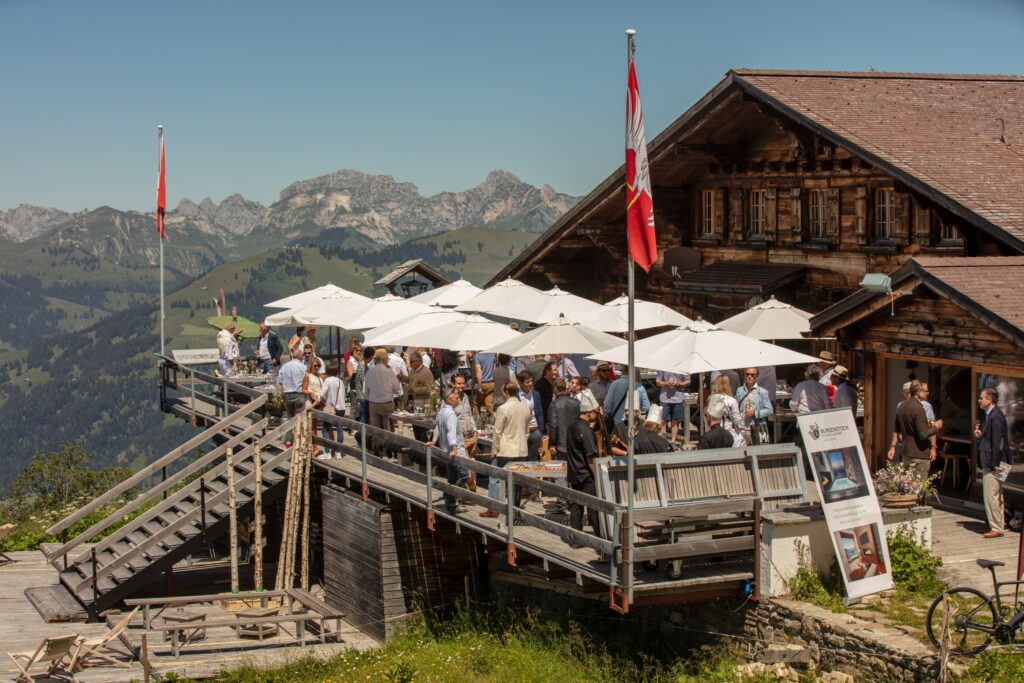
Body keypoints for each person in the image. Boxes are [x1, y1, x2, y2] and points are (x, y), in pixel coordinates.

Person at [483, 381, 532, 520]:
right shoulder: (525, 408)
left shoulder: (503, 408)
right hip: (521, 449)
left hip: (505, 449)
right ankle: (514, 508)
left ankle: (494, 508)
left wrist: (494, 449)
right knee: (516, 481)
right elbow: (527, 431)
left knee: (495, 478)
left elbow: (497, 432)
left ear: (505, 392)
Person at [566, 393, 601, 541]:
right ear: (589, 412)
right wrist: (598, 474)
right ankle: (601, 539)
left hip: (573, 472)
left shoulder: (572, 426)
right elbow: (590, 458)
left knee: (576, 507)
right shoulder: (585, 431)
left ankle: (576, 540)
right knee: (593, 508)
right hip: (586, 475)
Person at [893, 380, 943, 480]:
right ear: (919, 392)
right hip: (919, 455)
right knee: (918, 490)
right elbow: (923, 434)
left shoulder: (901, 406)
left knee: (907, 488)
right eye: (925, 391)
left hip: (906, 454)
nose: (928, 393)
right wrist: (936, 427)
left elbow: (896, 429)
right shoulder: (919, 408)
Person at [976, 387, 1009, 538]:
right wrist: (980, 435)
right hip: (992, 461)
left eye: (982, 398)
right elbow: (990, 438)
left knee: (991, 495)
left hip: (994, 463)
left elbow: (999, 442)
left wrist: (996, 463)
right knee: (996, 495)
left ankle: (996, 527)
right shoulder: (989, 415)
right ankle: (997, 524)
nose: (980, 400)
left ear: (989, 400)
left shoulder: (996, 416)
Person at [434, 387, 468, 514]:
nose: (458, 401)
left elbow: (437, 427)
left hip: (444, 450)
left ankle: (452, 505)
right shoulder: (451, 414)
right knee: (464, 476)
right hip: (455, 451)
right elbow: (450, 433)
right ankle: (449, 494)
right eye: (456, 399)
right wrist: (454, 448)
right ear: (449, 400)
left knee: (452, 478)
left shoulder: (441, 412)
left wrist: (434, 440)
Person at [364, 348, 402, 452]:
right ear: (384, 360)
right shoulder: (389, 372)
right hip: (387, 404)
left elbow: (365, 391)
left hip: (373, 404)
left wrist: (371, 399)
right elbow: (397, 389)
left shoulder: (369, 372)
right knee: (388, 428)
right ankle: (389, 449)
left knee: (375, 430)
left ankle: (377, 450)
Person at [736, 367, 773, 445]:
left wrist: (755, 413)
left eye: (753, 375)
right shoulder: (739, 390)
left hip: (756, 427)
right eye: (747, 374)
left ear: (757, 376)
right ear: (744, 375)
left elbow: (769, 410)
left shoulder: (762, 392)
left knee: (758, 452)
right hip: (741, 428)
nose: (750, 376)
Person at [547, 377, 581, 458]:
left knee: (561, 469)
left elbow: (553, 425)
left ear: (555, 389)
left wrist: (552, 444)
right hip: (575, 444)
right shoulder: (577, 403)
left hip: (561, 446)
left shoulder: (554, 404)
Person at [517, 370, 545, 461]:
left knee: (532, 460)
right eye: (527, 382)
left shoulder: (536, 394)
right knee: (520, 460)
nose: (530, 384)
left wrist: (540, 431)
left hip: (535, 431)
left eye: (531, 381)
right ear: (520, 383)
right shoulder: (516, 395)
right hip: (521, 433)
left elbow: (540, 413)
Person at [710, 375, 745, 448]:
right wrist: (743, 416)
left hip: (717, 434)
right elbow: (737, 421)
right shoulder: (732, 400)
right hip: (731, 433)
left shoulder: (712, 400)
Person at [656, 370, 690, 443]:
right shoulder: (663, 367)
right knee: (662, 420)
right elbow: (658, 382)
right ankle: (661, 441)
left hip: (678, 398)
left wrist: (678, 384)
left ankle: (673, 441)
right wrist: (667, 383)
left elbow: (688, 381)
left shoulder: (682, 367)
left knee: (676, 421)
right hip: (665, 398)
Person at [452, 374, 479, 463]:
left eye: (463, 383)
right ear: (453, 384)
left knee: (471, 462)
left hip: (470, 436)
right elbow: (447, 419)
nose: (462, 386)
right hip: (458, 437)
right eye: (459, 383)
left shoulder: (465, 397)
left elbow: (469, 414)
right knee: (464, 464)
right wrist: (459, 429)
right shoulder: (449, 399)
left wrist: (475, 429)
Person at [320, 364, 346, 453]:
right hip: (342, 407)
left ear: (327, 372)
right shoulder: (340, 381)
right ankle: (339, 451)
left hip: (331, 407)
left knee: (325, 429)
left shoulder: (327, 381)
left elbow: (321, 394)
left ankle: (327, 452)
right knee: (340, 428)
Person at [887, 382, 914, 462]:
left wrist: (933, 447)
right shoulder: (900, 405)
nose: (910, 395)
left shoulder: (924, 405)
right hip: (903, 445)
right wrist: (892, 446)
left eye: (911, 392)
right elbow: (896, 427)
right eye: (907, 393)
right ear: (903, 394)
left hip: (918, 447)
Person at [277, 348, 307, 418]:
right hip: (298, 393)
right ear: (301, 356)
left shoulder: (284, 366)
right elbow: (306, 380)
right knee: (300, 417)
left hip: (287, 394)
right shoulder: (303, 367)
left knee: (290, 416)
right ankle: (298, 429)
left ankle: (290, 429)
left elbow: (279, 381)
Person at [474, 351, 497, 418]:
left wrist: (479, 386)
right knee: (489, 403)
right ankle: (491, 420)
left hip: (483, 383)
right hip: (492, 382)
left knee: (476, 403)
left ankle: (477, 419)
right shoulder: (492, 355)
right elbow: (494, 370)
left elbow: (479, 372)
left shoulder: (477, 356)